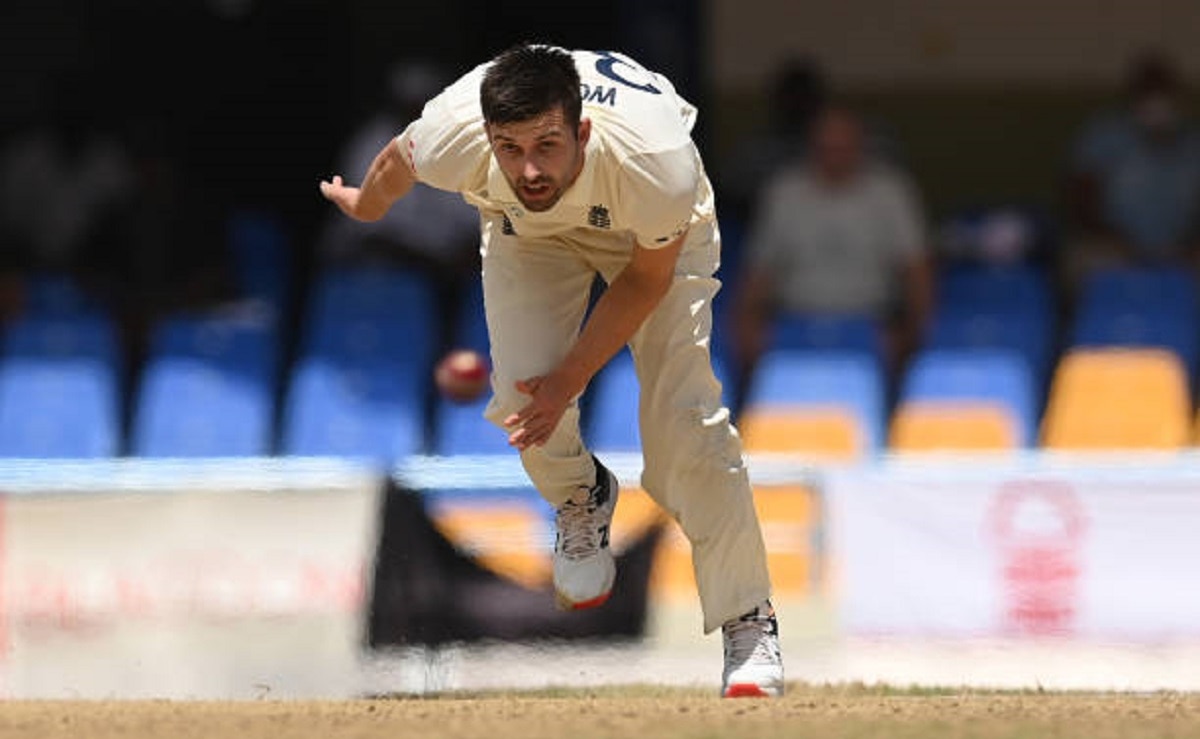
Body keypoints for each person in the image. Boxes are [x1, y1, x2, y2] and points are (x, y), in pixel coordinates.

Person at [320, 43, 784, 698]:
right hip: (529, 237)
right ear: (485, 137)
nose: (530, 168)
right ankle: (580, 496)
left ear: (582, 131)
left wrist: (573, 376)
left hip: (652, 238)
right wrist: (369, 203)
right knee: (521, 395)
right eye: (509, 148)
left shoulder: (656, 163)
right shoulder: (454, 134)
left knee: (687, 427)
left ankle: (748, 622)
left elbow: (644, 280)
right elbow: (399, 161)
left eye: (547, 145)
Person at [730, 106, 933, 401]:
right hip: (793, 322)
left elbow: (917, 271)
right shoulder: (784, 192)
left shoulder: (890, 192)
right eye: (825, 148)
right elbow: (759, 272)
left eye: (843, 147)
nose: (834, 155)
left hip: (871, 324)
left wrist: (911, 334)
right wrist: (746, 325)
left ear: (860, 146)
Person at [1063, 49, 1200, 282]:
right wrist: (1116, 240)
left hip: (1183, 247)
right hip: (1114, 245)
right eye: (1147, 91)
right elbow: (1079, 199)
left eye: (1162, 91)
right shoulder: (1104, 135)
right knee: (1083, 261)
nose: (1156, 99)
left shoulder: (1193, 142)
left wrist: (1188, 244)